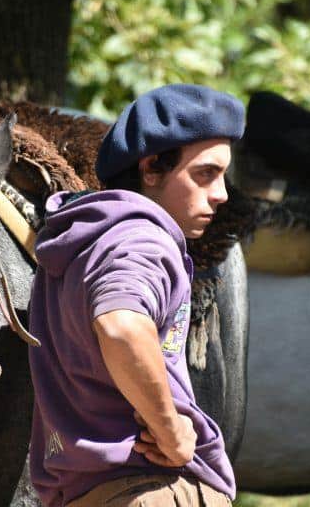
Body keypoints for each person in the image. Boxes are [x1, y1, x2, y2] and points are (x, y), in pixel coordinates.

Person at [27, 84, 244, 506]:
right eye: (205, 173)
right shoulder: (142, 238)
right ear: (151, 168)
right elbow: (122, 326)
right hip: (150, 490)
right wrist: (172, 432)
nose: (221, 194)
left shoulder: (81, 243)